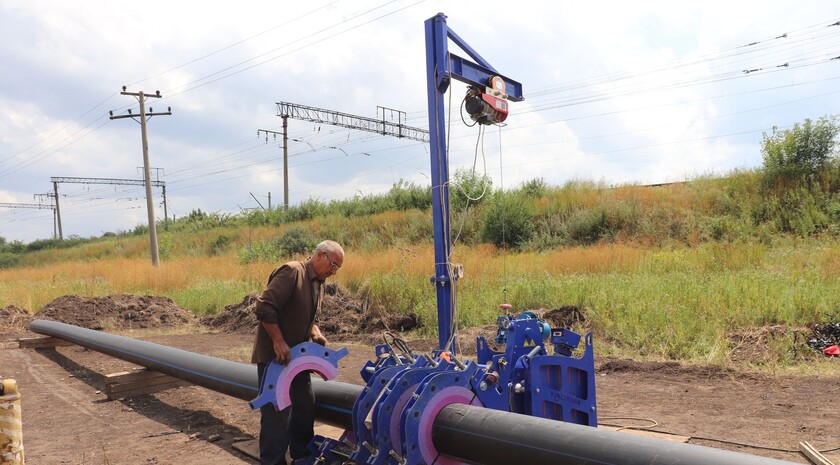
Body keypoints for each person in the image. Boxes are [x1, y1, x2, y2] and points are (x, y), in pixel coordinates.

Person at [251, 240, 344, 465]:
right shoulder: (292, 272)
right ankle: (272, 461)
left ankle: (302, 456)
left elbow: (305, 316)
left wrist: (315, 332)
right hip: (276, 358)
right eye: (333, 265)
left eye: (337, 268)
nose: (334, 272)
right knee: (277, 411)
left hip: (297, 360)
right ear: (320, 255)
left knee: (304, 404)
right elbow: (264, 307)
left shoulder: (318, 283)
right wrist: (278, 340)